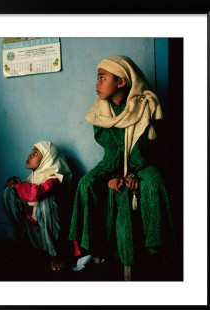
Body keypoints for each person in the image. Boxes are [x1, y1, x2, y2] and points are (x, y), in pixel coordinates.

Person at [68, 55, 175, 281]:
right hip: (112, 163)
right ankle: (95, 248)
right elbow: (111, 151)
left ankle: (156, 251)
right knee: (87, 184)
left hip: (142, 162)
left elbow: (145, 148)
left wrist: (132, 174)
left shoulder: (144, 105)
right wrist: (116, 174)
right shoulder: (101, 110)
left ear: (121, 82)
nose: (96, 84)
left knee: (154, 185)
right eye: (97, 79)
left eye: (102, 78)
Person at [3, 141, 72, 272]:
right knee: (9, 192)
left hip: (56, 238)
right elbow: (25, 190)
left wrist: (19, 186)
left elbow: (36, 192)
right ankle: (21, 247)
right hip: (34, 235)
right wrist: (14, 184)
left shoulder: (56, 178)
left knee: (47, 201)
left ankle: (54, 255)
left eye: (35, 153)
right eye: (31, 151)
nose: (30, 155)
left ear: (48, 159)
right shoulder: (32, 178)